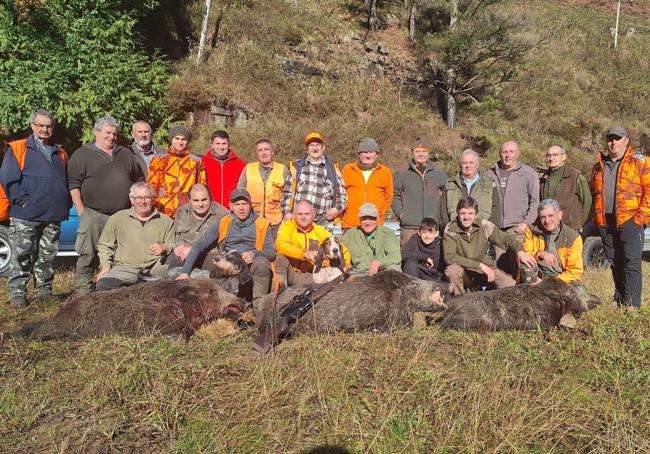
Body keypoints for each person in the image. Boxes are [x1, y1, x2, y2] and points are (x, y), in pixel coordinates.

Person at [0, 110, 72, 307]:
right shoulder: (18, 148)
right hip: (26, 214)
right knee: (21, 255)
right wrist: (23, 201)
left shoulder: (60, 152)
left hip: (52, 214)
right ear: (32, 126)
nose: (44, 129)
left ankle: (45, 291)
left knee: (47, 255)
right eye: (40, 125)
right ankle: (17, 294)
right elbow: (8, 179)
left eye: (48, 126)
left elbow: (63, 181)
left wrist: (64, 203)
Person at [67, 115, 144, 294]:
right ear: (96, 132)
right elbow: (73, 184)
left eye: (115, 134)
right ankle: (83, 291)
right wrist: (81, 211)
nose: (111, 137)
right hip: (93, 213)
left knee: (120, 254)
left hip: (121, 215)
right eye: (107, 133)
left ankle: (111, 291)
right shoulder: (82, 154)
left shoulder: (125, 154)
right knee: (88, 253)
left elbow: (138, 179)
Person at [177, 189, 274, 300]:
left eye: (244, 204)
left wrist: (254, 254)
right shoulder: (224, 222)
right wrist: (185, 272)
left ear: (251, 205)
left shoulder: (262, 223)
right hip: (227, 261)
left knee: (262, 263)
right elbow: (199, 244)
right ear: (230, 206)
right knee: (206, 257)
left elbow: (271, 252)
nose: (241, 208)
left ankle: (259, 303)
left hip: (250, 264)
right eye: (237, 204)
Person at [591, 127, 650, 310]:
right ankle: (619, 298)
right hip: (606, 222)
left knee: (631, 262)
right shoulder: (598, 166)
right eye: (610, 139)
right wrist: (596, 217)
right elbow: (595, 193)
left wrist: (639, 219)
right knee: (615, 262)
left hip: (630, 220)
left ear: (626, 140)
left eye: (618, 139)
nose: (613, 143)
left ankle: (633, 304)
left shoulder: (640, 162)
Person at [443, 197, 534, 296]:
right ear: (457, 213)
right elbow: (450, 257)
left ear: (476, 214)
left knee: (509, 285)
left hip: (486, 270)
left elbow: (507, 239)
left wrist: (520, 252)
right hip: (464, 270)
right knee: (452, 271)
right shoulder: (450, 229)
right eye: (463, 213)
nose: (466, 217)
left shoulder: (484, 226)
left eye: (470, 213)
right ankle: (459, 304)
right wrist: (480, 265)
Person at [95, 182, 174, 291]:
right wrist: (106, 266)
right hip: (126, 269)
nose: (143, 201)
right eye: (139, 198)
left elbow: (175, 245)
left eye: (147, 197)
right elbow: (104, 245)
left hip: (155, 269)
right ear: (132, 200)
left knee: (176, 288)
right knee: (104, 285)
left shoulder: (166, 221)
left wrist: (165, 246)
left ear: (153, 199)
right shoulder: (117, 218)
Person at [486, 139, 539, 275]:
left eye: (511, 152)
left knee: (517, 262)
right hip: (496, 228)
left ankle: (521, 292)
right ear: (500, 154)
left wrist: (526, 223)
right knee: (501, 265)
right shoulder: (489, 174)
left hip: (517, 228)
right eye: (504, 152)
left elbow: (535, 201)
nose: (508, 155)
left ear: (518, 154)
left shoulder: (528, 173)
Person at [275, 199, 351, 287]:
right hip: (291, 271)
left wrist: (346, 264)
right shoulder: (287, 226)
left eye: (307, 214)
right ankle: (280, 293)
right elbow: (281, 245)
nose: (303, 217)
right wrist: (304, 254)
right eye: (300, 214)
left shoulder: (320, 231)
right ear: (294, 215)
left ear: (313, 215)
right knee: (280, 258)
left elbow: (342, 249)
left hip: (310, 274)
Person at [281, 132, 347, 232]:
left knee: (331, 245)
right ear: (306, 149)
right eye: (311, 145)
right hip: (299, 220)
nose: (315, 148)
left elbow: (343, 196)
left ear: (323, 148)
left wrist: (336, 210)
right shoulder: (296, 167)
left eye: (318, 145)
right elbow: (286, 193)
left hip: (324, 221)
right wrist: (286, 213)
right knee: (295, 246)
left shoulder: (333, 168)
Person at [393, 135, 447, 246]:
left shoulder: (438, 172)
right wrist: (402, 214)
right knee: (409, 260)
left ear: (429, 153)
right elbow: (395, 195)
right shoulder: (402, 171)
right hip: (410, 228)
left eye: (424, 151)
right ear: (412, 152)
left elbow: (445, 196)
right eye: (417, 151)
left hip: (432, 227)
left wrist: (441, 220)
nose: (421, 154)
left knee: (432, 260)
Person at [147, 125, 206, 218]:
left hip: (187, 210)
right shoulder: (159, 160)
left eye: (183, 139)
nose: (180, 142)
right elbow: (151, 187)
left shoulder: (196, 161)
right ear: (171, 140)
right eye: (177, 138)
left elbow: (201, 187)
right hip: (163, 208)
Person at [520, 199, 583, 283]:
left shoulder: (573, 238)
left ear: (560, 215)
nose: (547, 221)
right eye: (543, 217)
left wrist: (550, 283)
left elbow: (575, 271)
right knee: (525, 265)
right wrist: (539, 253)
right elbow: (526, 254)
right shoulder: (531, 230)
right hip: (539, 275)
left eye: (551, 216)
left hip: (562, 278)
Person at [168, 183, 228, 267]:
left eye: (204, 200)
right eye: (196, 200)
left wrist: (193, 250)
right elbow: (178, 234)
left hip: (209, 254)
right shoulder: (181, 211)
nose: (200, 204)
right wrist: (180, 245)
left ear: (210, 198)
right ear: (189, 199)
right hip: (184, 251)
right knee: (171, 267)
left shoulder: (223, 214)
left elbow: (223, 244)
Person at [237, 139, 288, 236]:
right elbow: (240, 193)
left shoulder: (282, 169)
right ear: (257, 153)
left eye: (266, 149)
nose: (263, 153)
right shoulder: (248, 168)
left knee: (274, 249)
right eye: (260, 150)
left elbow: (288, 195)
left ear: (272, 152)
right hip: (252, 220)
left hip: (275, 222)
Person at [341, 137, 393, 229]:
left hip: (375, 225)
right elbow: (340, 195)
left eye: (371, 152)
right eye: (364, 152)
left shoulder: (385, 172)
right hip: (351, 224)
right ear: (359, 154)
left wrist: (379, 213)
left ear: (376, 154)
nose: (368, 155)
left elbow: (388, 197)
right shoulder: (347, 170)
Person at [539, 145, 592, 231]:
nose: (551, 158)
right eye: (549, 155)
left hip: (569, 228)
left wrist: (580, 223)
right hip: (548, 227)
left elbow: (587, 200)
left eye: (555, 155)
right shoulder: (544, 177)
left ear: (564, 157)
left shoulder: (575, 175)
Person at [341, 203, 401, 276]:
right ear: (359, 219)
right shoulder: (349, 235)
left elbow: (395, 257)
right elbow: (337, 252)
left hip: (382, 273)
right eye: (364, 219)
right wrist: (345, 265)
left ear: (378, 218)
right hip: (359, 275)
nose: (367, 223)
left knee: (395, 271)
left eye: (372, 218)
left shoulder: (387, 234)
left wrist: (379, 262)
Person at [442, 149, 498, 223]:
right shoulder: (450, 184)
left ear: (477, 165)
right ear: (460, 165)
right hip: (455, 230)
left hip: (482, 231)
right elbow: (443, 211)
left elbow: (496, 209)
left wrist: (489, 230)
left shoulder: (490, 184)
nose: (468, 166)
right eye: (464, 163)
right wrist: (447, 227)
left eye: (471, 163)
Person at [202, 130, 246, 209]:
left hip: (232, 211)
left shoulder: (240, 164)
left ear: (228, 144)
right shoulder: (202, 163)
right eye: (218, 144)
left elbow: (243, 189)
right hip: (210, 210)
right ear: (212, 145)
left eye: (224, 143)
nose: (221, 147)